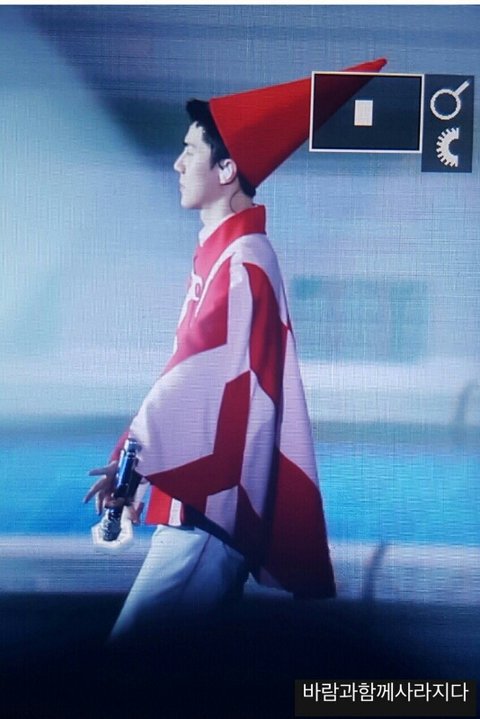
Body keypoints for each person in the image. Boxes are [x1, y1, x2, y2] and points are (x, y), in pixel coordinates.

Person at [84, 58, 386, 642]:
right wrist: (134, 465)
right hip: (204, 508)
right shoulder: (228, 255)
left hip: (210, 512)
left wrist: (131, 461)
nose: (177, 164)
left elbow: (196, 375)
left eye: (190, 151)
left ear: (226, 169)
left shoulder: (243, 261)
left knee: (131, 663)